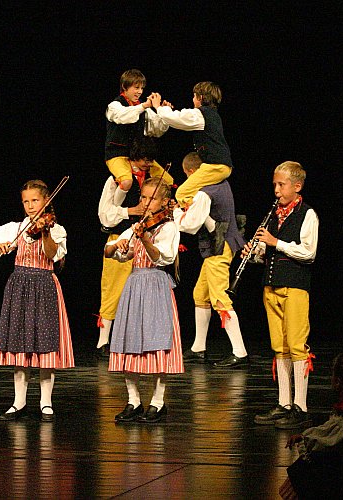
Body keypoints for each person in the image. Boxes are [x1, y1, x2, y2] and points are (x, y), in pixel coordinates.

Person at [0, 179, 74, 422]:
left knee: (46, 345)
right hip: (20, 286)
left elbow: (52, 253)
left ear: (46, 201)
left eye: (35, 200)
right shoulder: (18, 227)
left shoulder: (55, 229)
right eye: (26, 201)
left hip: (44, 286)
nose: (31, 206)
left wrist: (45, 231)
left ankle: (46, 402)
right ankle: (19, 402)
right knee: (19, 345)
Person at [246, 161, 319, 429]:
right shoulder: (273, 214)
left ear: (297, 186)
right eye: (275, 184)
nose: (276, 190)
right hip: (271, 286)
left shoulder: (307, 214)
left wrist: (276, 243)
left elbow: (308, 252)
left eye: (281, 185)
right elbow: (267, 253)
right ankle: (284, 403)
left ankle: (301, 407)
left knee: (297, 344)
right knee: (280, 346)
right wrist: (254, 252)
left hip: (295, 286)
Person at [105, 177, 183, 423]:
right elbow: (122, 253)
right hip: (135, 284)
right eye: (143, 198)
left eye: (151, 199)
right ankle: (133, 400)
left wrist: (146, 239)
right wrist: (112, 247)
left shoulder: (169, 227)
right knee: (129, 343)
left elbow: (164, 258)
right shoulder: (137, 225)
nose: (146, 203)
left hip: (156, 285)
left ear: (164, 202)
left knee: (158, 344)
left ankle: (158, 403)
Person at [97, 137, 173, 351]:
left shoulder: (153, 178)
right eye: (144, 160)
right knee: (113, 289)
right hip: (120, 236)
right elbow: (105, 216)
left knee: (142, 292)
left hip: (147, 239)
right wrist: (130, 211)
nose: (148, 165)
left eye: (151, 161)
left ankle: (142, 337)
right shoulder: (116, 179)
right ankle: (103, 339)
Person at [174, 152, 248, 367]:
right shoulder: (221, 183)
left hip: (219, 246)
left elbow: (190, 224)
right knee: (201, 294)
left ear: (192, 173)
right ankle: (199, 348)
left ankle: (240, 352)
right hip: (220, 245)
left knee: (219, 298)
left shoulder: (205, 192)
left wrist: (177, 212)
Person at [279, 352, 343, 499]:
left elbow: (329, 438)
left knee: (305, 468)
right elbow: (329, 429)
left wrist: (305, 438)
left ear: (338, 382)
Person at [151, 82, 232, 208]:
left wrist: (159, 107)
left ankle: (204, 222)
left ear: (200, 98)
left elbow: (176, 119)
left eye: (194, 96)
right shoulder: (213, 115)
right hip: (221, 165)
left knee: (182, 194)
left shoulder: (201, 114)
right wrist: (167, 111)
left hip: (215, 165)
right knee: (197, 193)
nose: (193, 100)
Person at [105, 69, 169, 192]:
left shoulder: (144, 110)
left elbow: (157, 131)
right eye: (136, 88)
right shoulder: (114, 106)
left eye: (142, 88)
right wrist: (143, 106)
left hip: (138, 157)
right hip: (117, 154)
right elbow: (123, 116)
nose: (140, 92)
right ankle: (116, 210)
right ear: (125, 87)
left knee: (166, 181)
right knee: (126, 181)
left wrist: (163, 114)